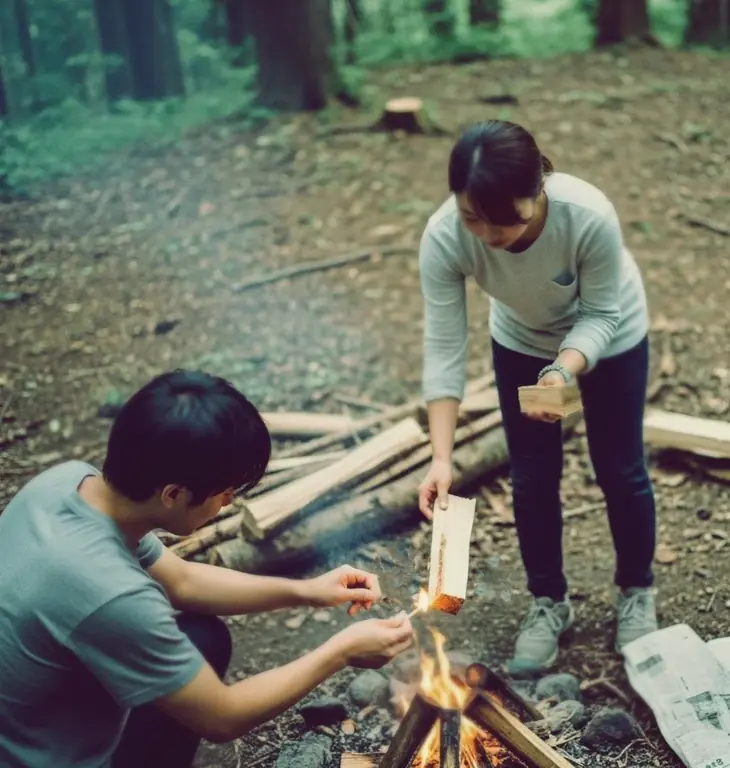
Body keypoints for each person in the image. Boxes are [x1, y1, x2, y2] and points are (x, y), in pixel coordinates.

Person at [0, 370, 414, 768]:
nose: (229, 503)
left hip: (24, 723)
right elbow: (222, 717)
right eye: (224, 493)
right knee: (200, 651)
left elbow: (182, 580)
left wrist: (307, 591)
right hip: (42, 758)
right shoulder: (112, 595)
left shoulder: (68, 483)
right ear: (173, 494)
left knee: (203, 636)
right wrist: (340, 651)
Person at [415, 119, 658, 675]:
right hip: (523, 342)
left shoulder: (587, 215)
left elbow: (601, 312)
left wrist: (564, 370)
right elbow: (445, 346)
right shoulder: (446, 236)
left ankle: (637, 591)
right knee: (531, 474)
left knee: (620, 469)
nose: (488, 234)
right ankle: (549, 601)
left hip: (611, 338)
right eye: (472, 215)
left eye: (506, 220)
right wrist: (442, 458)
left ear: (539, 189)